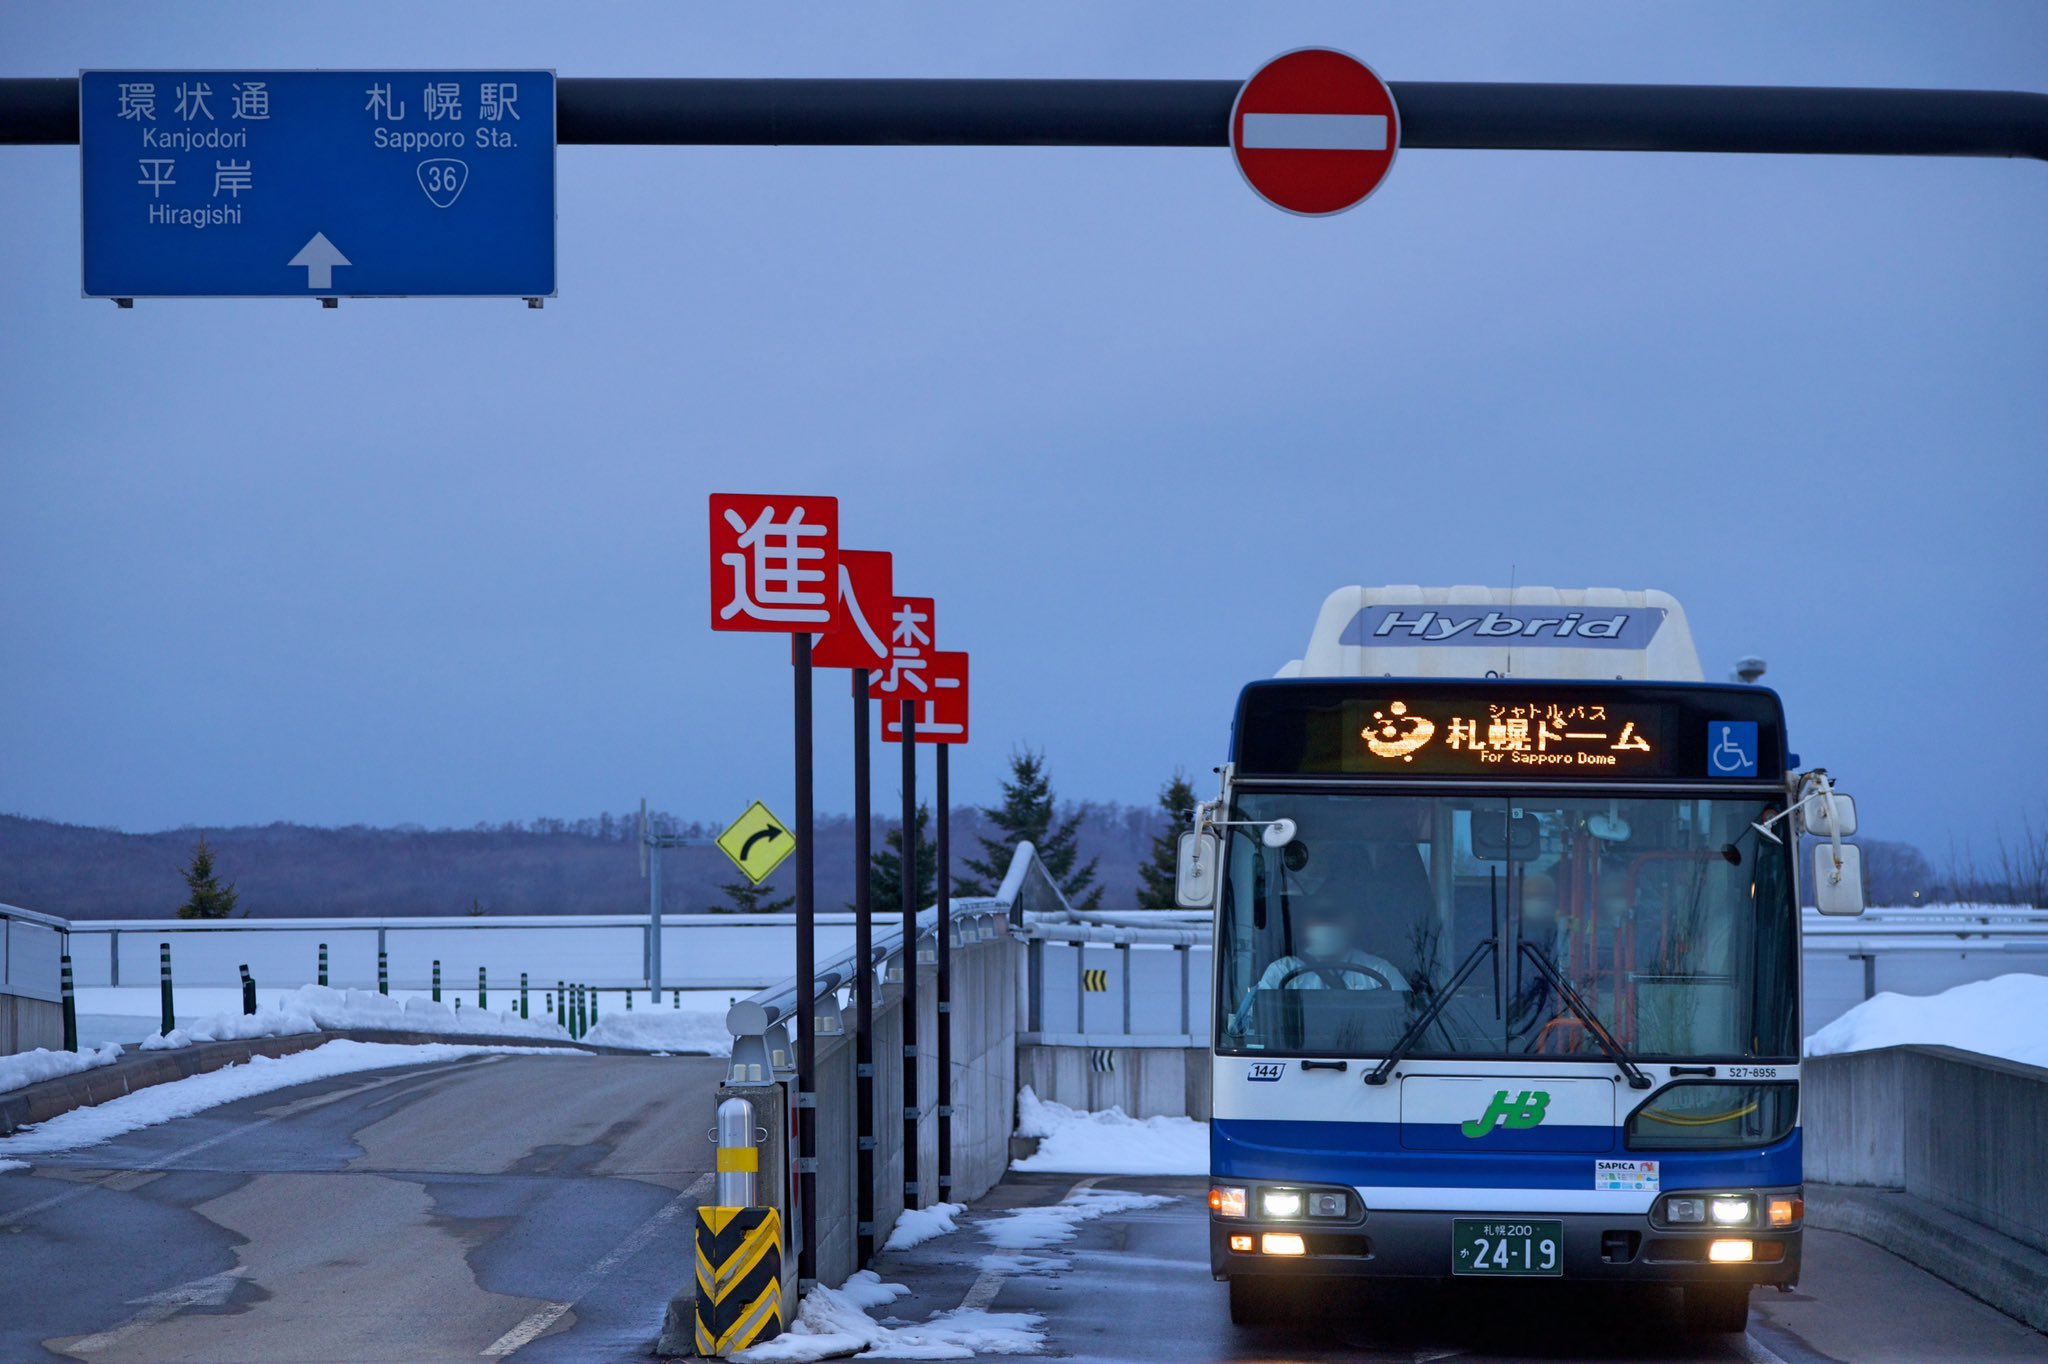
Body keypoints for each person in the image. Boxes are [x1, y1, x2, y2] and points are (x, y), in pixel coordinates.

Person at [1253, 847, 1410, 992]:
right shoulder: (1282, 973)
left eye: (1334, 914)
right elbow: (1255, 1020)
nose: (1326, 923)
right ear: (1306, 922)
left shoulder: (1381, 973)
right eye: (1320, 915)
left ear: (1352, 922)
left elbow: (1409, 1018)